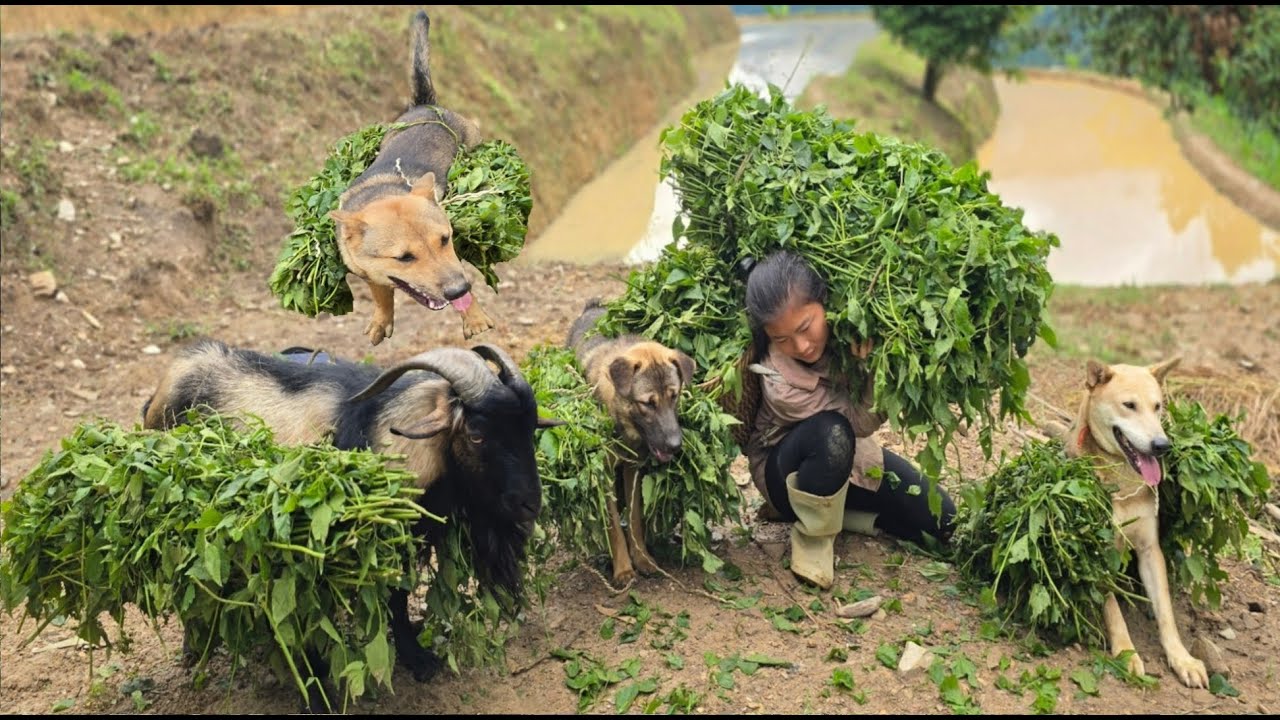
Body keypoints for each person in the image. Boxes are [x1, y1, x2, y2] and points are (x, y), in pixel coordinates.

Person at [742, 249, 955, 589]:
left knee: (943, 519)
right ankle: (812, 537)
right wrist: (868, 369)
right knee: (833, 434)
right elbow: (857, 424)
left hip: (849, 459)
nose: (801, 345)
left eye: (806, 327)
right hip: (788, 475)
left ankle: (850, 517)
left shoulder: (845, 332)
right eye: (782, 339)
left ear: (824, 302)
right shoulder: (779, 382)